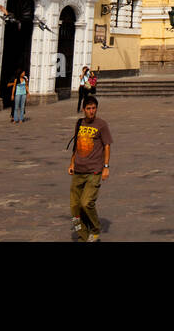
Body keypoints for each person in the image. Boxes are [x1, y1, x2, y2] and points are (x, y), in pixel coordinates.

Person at [68, 96, 112, 242]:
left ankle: (95, 228)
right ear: (83, 109)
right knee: (74, 209)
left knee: (86, 203)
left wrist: (106, 167)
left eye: (94, 108)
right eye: (88, 108)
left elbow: (107, 145)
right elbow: (76, 145)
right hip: (78, 170)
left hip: (94, 170)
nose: (91, 111)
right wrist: (72, 163)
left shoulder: (102, 125)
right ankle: (83, 235)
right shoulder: (79, 123)